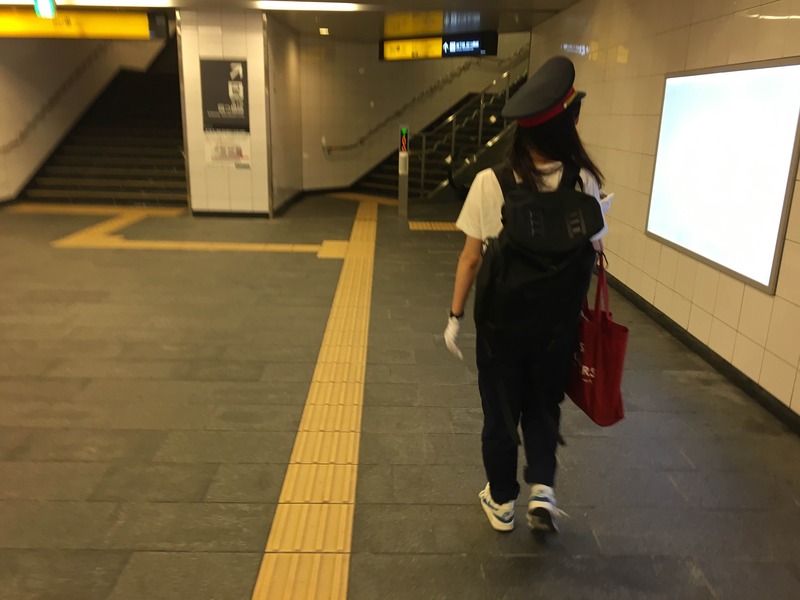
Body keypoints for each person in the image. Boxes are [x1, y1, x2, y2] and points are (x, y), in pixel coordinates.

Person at [443, 56, 608, 533]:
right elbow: (596, 248)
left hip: (501, 327)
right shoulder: (584, 181)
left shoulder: (490, 181)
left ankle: (501, 501)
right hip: (556, 325)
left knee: (500, 412)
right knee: (543, 403)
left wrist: (455, 316)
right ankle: (542, 488)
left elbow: (470, 258)